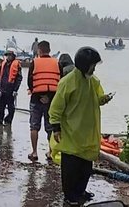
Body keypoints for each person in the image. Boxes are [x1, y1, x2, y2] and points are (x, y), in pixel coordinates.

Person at [49, 47, 113, 206]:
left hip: (87, 132)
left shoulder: (93, 81)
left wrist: (103, 99)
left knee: (85, 168)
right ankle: (70, 195)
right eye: (93, 65)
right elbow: (56, 107)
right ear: (85, 65)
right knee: (71, 169)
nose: (94, 68)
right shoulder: (67, 82)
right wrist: (56, 127)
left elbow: (96, 98)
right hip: (71, 133)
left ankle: (80, 191)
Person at [27, 41, 63, 161]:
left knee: (34, 127)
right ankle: (51, 152)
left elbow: (30, 82)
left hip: (36, 99)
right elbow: (61, 83)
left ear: (39, 51)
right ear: (49, 50)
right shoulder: (57, 64)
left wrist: (38, 94)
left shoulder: (34, 63)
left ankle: (34, 152)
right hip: (52, 101)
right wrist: (49, 97)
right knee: (51, 127)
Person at [0, 48, 22, 125]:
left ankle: (8, 121)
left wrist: (15, 90)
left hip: (11, 89)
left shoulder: (17, 65)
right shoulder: (4, 64)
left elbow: (19, 78)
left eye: (10, 55)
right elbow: (0, 76)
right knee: (0, 105)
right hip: (3, 88)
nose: (8, 57)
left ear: (13, 56)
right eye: (7, 55)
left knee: (11, 107)